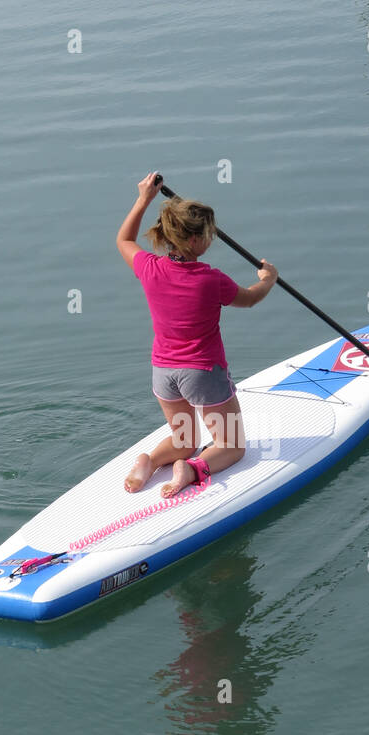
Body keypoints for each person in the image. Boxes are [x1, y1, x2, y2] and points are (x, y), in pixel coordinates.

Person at [116, 173, 278, 497]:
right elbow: (249, 299)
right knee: (232, 444)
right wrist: (268, 279)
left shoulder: (149, 267)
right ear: (192, 242)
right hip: (202, 373)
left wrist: (143, 199)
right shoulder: (211, 279)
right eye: (207, 236)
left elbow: (124, 240)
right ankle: (191, 469)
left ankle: (149, 461)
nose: (210, 240)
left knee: (185, 439)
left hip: (163, 373)